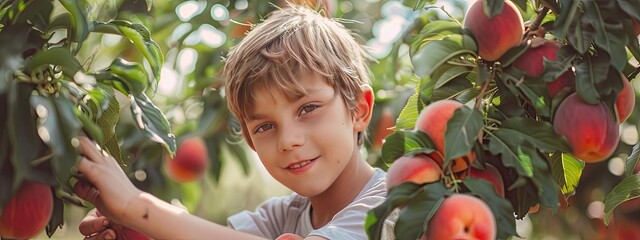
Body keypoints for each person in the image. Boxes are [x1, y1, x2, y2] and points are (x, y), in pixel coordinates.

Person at [74, 3, 395, 240]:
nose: (289, 141)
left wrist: (136, 206)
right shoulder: (280, 216)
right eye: (265, 126)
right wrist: (133, 228)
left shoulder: (391, 206)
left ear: (359, 110)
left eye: (308, 108)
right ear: (251, 140)